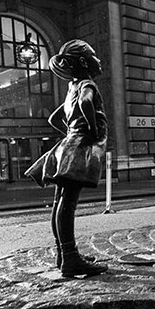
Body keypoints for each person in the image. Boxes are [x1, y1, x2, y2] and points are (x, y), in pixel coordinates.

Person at [25, 39, 108, 278]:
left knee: (60, 201)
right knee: (68, 203)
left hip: (67, 145)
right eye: (94, 55)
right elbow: (85, 103)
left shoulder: (72, 87)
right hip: (78, 147)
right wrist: (91, 130)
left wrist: (71, 133)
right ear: (83, 62)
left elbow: (54, 118)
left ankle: (63, 254)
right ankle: (71, 259)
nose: (98, 59)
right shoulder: (87, 84)